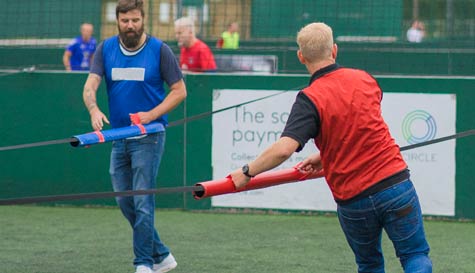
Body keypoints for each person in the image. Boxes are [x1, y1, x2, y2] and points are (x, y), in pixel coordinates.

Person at [230, 22, 432, 273]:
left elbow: (285, 149)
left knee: (369, 265)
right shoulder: (365, 79)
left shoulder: (309, 98)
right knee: (415, 256)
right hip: (395, 185)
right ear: (334, 50)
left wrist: (247, 172)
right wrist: (324, 156)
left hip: (354, 199)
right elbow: (359, 128)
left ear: (300, 57)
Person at [82, 1, 186, 272]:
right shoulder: (105, 49)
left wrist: (151, 115)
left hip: (149, 137)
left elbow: (179, 91)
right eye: (125, 20)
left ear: (143, 19)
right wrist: (93, 108)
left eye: (135, 20)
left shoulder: (160, 50)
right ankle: (162, 254)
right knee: (124, 200)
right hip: (119, 137)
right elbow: (90, 85)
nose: (130, 25)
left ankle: (144, 263)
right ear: (117, 20)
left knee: (142, 200)